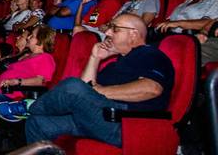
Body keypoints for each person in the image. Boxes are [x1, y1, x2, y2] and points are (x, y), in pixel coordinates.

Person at [16, 14, 174, 147]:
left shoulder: (151, 55)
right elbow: (86, 88)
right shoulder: (115, 64)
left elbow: (152, 88)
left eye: (115, 29)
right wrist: (95, 57)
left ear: (133, 34)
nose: (108, 32)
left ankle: (28, 108)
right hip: (97, 117)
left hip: (124, 122)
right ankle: (30, 112)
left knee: (72, 86)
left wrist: (100, 91)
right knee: (36, 123)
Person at [0, 25, 57, 155]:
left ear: (40, 41)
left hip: (13, 96)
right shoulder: (27, 56)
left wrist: (17, 81)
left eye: (32, 36)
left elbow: (40, 80)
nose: (28, 37)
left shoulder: (45, 58)